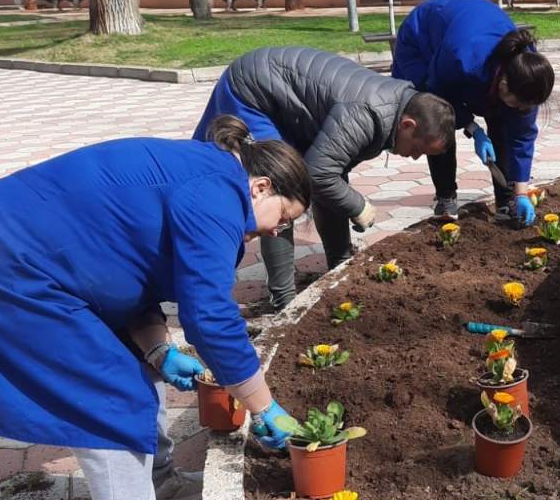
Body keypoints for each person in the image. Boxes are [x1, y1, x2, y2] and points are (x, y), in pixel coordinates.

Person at [0, 115, 303, 500]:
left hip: (40, 258)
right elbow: (209, 317)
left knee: (132, 373)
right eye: (284, 216)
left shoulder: (209, 176)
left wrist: (157, 348)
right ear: (261, 185)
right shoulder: (216, 196)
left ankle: (157, 483)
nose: (277, 230)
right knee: (110, 405)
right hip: (16, 267)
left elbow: (122, 264)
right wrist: (262, 405)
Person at [194, 47, 456, 311]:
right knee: (281, 190)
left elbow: (331, 174)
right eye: (419, 149)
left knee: (321, 180)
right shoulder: (366, 114)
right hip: (255, 93)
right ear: (407, 125)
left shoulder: (392, 109)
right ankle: (284, 300)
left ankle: (338, 266)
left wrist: (341, 263)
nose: (414, 157)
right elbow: (318, 174)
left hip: (290, 104)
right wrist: (357, 205)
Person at [391, 0, 555, 225]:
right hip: (424, 40)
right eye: (518, 103)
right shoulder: (462, 59)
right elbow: (436, 91)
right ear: (504, 83)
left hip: (472, 29)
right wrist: (473, 128)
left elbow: (522, 136)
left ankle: (507, 201)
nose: (521, 109)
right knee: (438, 123)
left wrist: (521, 192)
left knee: (503, 124)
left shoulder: (528, 74)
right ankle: (446, 197)